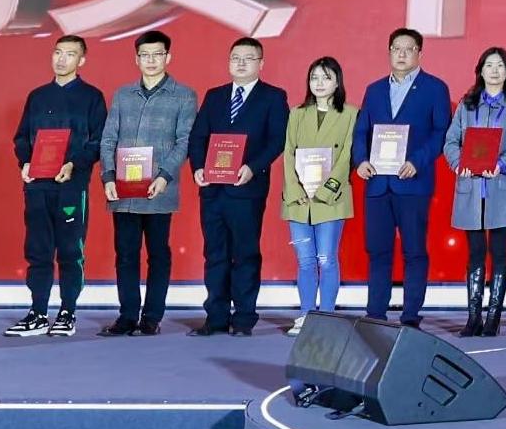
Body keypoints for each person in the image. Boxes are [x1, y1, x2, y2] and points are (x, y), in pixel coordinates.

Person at [353, 28, 453, 327]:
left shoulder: (435, 88)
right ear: (389, 52)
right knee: (378, 251)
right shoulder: (374, 90)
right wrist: (360, 161)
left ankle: (410, 315)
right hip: (378, 183)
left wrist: (416, 162)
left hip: (412, 182)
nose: (402, 54)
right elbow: (361, 131)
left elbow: (441, 132)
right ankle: (375, 314)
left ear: (419, 53)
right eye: (396, 48)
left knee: (414, 251)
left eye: (409, 49)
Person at [98, 29, 194, 336]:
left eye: (157, 54)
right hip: (124, 191)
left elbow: (184, 141)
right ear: (136, 59)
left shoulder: (184, 95)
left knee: (158, 255)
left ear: (168, 57)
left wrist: (165, 175)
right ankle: (127, 316)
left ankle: (152, 317)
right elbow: (108, 138)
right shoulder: (123, 95)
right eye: (145, 55)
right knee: (126, 255)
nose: (151, 60)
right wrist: (108, 176)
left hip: (159, 190)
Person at [8, 33, 104, 337]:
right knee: (38, 250)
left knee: (70, 250)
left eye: (70, 54)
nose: (62, 59)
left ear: (82, 60)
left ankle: (67, 312)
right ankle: (37, 312)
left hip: (71, 187)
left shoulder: (92, 97)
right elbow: (22, 137)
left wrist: (74, 164)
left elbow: (98, 142)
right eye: (57, 52)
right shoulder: (37, 96)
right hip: (37, 186)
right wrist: (25, 162)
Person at [190, 37, 287, 336]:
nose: (241, 63)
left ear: (261, 63)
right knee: (215, 253)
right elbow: (198, 137)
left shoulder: (273, 97)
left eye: (248, 58)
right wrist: (198, 168)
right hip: (213, 190)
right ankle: (216, 317)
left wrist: (252, 167)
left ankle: (244, 318)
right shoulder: (214, 96)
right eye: (235, 58)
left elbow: (277, 140)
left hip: (247, 189)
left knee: (245, 253)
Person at [447, 48, 506, 335]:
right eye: (489, 65)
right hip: (472, 187)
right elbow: (451, 141)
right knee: (475, 252)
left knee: (500, 251)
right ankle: (474, 317)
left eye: (500, 65)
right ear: (480, 70)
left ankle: (493, 317)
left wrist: (502, 164)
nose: (494, 70)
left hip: (501, 187)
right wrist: (459, 163)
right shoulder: (467, 104)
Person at [279, 55, 357, 336]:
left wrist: (326, 190)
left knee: (327, 259)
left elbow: (347, 155)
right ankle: (305, 315)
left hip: (331, 200)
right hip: (299, 200)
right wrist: (295, 190)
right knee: (305, 261)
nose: (319, 83)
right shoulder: (297, 114)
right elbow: (288, 153)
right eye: (314, 77)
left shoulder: (350, 114)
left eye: (326, 77)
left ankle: (327, 317)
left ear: (337, 82)